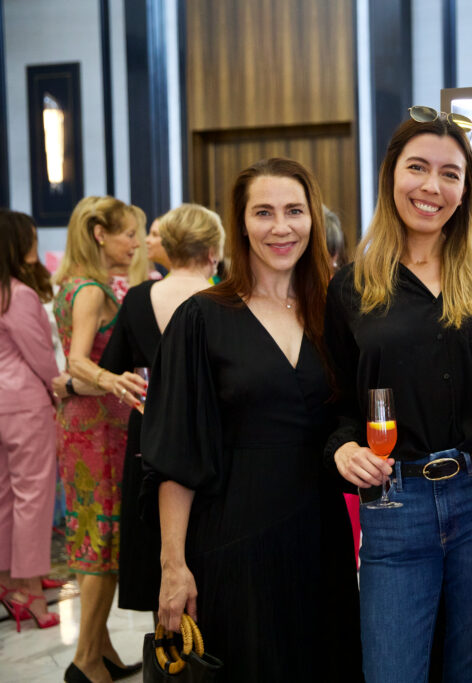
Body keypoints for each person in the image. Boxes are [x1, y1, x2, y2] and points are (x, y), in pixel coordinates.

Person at [142, 159, 361, 682]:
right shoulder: (202, 318)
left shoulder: (335, 314)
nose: (280, 227)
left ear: (314, 219)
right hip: (232, 538)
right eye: (263, 212)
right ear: (240, 223)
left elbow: (353, 415)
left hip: (319, 537)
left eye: (294, 211)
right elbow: (175, 454)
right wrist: (174, 565)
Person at [324, 111, 472, 682]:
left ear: (465, 190)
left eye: (450, 174)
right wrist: (342, 448)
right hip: (395, 500)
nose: (431, 187)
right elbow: (336, 403)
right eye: (418, 168)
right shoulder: (352, 286)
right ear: (392, 176)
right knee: (391, 670)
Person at [98, 203, 224, 619]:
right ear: (213, 250)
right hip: (215, 440)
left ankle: (173, 659)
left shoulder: (137, 299)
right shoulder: (226, 298)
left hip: (151, 438)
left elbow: (114, 368)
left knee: (163, 559)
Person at [54, 196, 146, 683]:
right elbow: (77, 362)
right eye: (128, 233)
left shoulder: (72, 284)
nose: (135, 243)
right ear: (99, 234)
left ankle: (101, 647)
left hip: (86, 424)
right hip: (97, 430)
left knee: (100, 541)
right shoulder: (89, 290)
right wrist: (113, 380)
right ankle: (85, 660)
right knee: (100, 542)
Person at [0, 210, 60, 632]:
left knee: (5, 496)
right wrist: (59, 388)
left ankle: (10, 578)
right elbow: (40, 354)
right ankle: (30, 592)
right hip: (22, 402)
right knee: (33, 498)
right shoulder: (17, 294)